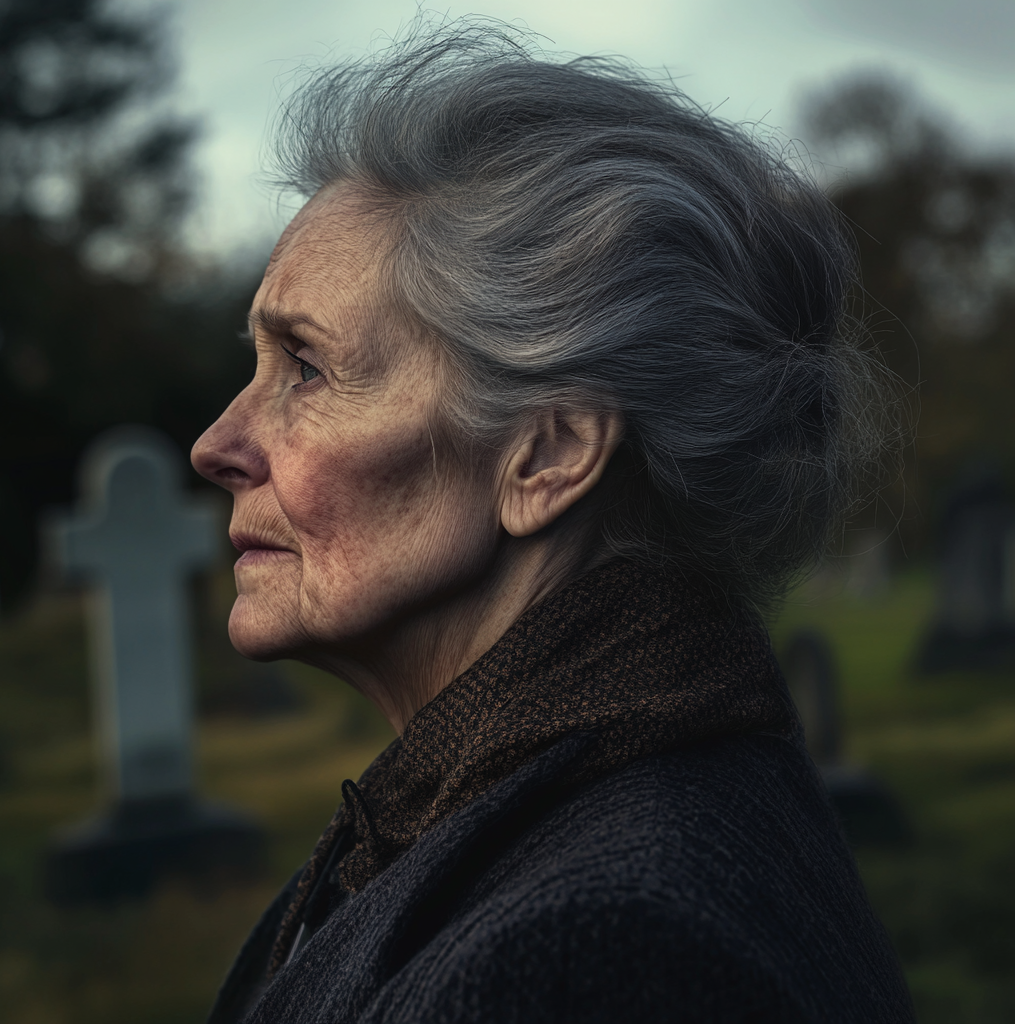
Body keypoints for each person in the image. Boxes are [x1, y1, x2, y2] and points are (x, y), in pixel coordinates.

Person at [191, 20, 913, 1024]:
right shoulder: (498, 822)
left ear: (548, 454)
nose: (216, 442)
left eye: (304, 368)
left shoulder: (591, 959)